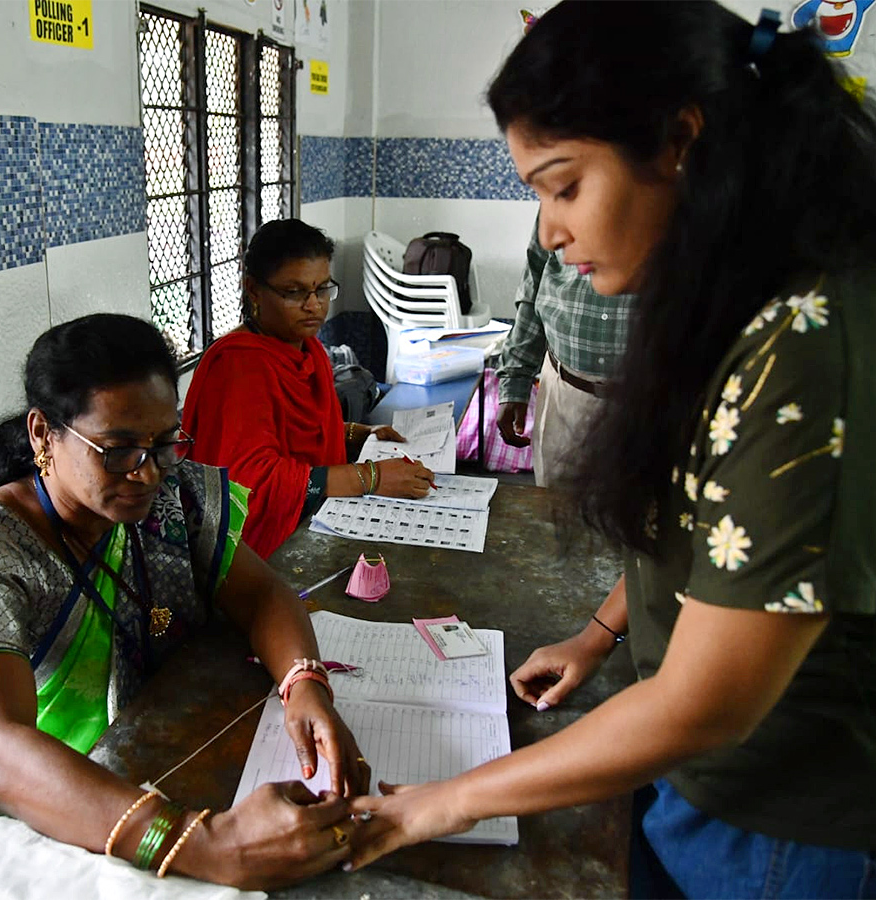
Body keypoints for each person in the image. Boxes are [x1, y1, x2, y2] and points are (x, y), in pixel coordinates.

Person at [346, 4, 876, 897]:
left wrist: (432, 805)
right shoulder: (739, 294)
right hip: (703, 783)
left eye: (564, 186)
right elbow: (716, 530)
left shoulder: (806, 345)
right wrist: (599, 635)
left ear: (679, 143)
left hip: (783, 823)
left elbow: (707, 702)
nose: (550, 234)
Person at [0, 313, 371, 891]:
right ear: (43, 435)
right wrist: (198, 844)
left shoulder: (169, 494)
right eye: (117, 450)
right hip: (51, 805)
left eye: (165, 444)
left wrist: (303, 685)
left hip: (163, 759)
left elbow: (262, 596)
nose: (146, 472)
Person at [182, 218, 434, 558]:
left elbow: (292, 438)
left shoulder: (308, 348)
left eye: (322, 289)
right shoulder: (237, 365)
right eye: (294, 292)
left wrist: (356, 433)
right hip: (252, 557)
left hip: (314, 520)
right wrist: (370, 477)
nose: (314, 305)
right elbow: (249, 483)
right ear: (253, 289)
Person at [496, 215, 635, 487]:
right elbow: (536, 276)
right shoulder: (560, 189)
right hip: (563, 395)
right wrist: (515, 377)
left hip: (653, 405)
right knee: (554, 517)